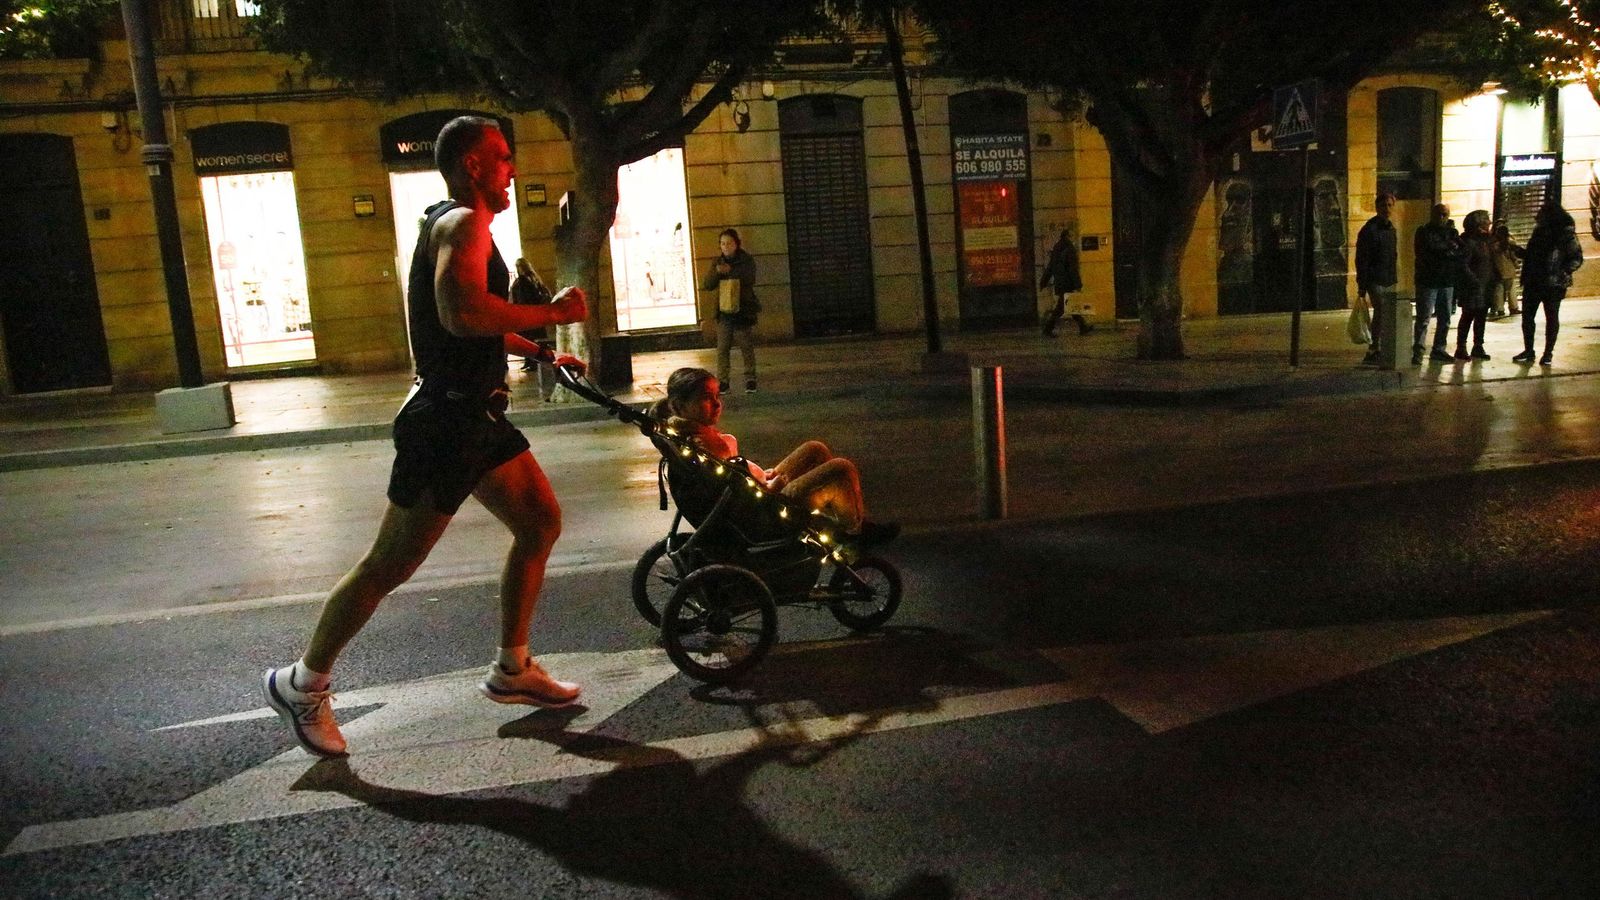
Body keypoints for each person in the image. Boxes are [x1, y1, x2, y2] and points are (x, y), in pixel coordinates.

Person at [262, 116, 590, 758]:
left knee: (539, 521)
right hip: (445, 424)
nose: (511, 168)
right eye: (501, 158)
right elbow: (461, 313)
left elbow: (471, 321)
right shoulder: (464, 224)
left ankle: (513, 668)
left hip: (477, 419)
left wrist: (540, 352)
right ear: (472, 165)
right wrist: (553, 312)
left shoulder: (452, 222)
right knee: (388, 565)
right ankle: (302, 684)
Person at [651, 366, 898, 546]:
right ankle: (854, 533)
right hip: (765, 512)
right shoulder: (701, 442)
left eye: (717, 396)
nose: (716, 404)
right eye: (706, 398)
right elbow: (735, 489)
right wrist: (772, 484)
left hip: (756, 496)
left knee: (815, 449)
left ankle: (841, 520)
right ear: (680, 406)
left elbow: (732, 477)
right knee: (841, 468)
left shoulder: (687, 433)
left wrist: (760, 475)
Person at [1513, 201, 1585, 367]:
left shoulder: (1565, 235)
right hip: (1533, 280)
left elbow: (1576, 257)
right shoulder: (1539, 232)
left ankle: (1548, 353)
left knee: (1551, 317)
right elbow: (1533, 256)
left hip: (1553, 283)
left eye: (1541, 213)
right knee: (1527, 317)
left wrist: (1563, 271)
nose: (1537, 216)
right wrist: (1519, 252)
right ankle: (1529, 350)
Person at [702, 228, 760, 393]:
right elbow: (708, 284)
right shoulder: (717, 262)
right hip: (724, 312)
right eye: (722, 243)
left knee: (746, 347)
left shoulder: (746, 260)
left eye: (729, 243)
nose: (726, 246)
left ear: (736, 244)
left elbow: (750, 278)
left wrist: (731, 272)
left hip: (742, 310)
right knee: (722, 349)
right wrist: (718, 273)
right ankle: (723, 381)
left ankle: (750, 379)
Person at [1412, 203, 1463, 364]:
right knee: (1424, 318)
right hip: (1428, 281)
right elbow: (1427, 250)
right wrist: (1446, 248)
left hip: (1446, 280)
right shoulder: (1424, 232)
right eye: (1439, 214)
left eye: (1445, 215)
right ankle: (1418, 351)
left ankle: (1439, 349)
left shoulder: (1452, 232)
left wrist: (1448, 249)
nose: (1441, 218)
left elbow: (1461, 250)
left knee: (1445, 317)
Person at [1354, 191, 1398, 365]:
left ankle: (1379, 347)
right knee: (1381, 312)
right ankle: (1373, 348)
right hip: (1375, 278)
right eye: (1383, 205)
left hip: (1388, 277)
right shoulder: (1370, 230)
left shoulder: (1390, 228)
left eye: (1389, 205)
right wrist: (1362, 284)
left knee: (1384, 313)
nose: (1386, 209)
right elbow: (1362, 259)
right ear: (1377, 207)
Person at [511, 256, 557, 400]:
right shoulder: (535, 279)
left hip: (526, 315)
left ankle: (530, 362)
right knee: (534, 339)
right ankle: (532, 361)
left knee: (527, 338)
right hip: (536, 316)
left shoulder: (522, 282)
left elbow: (521, 299)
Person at [1452, 209, 1495, 361]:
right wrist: (1474, 281)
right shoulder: (1469, 242)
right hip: (1473, 287)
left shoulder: (1486, 241)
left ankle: (1478, 345)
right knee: (1468, 316)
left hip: (1485, 285)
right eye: (1486, 221)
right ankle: (1461, 347)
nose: (1489, 223)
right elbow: (1463, 265)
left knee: (1481, 316)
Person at [1040, 228, 1091, 337]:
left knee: (1070, 305)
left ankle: (1083, 327)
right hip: (1067, 282)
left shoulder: (1057, 248)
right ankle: (1048, 329)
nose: (1072, 238)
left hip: (1060, 282)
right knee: (1061, 308)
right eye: (1071, 236)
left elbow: (1050, 267)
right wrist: (1078, 284)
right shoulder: (1069, 249)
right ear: (1068, 236)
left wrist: (1044, 281)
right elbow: (1072, 269)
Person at [1489, 222, 1523, 318]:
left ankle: (1500, 309)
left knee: (1499, 290)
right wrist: (1516, 265)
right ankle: (1513, 307)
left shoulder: (1493, 244)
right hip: (1509, 269)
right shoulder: (1509, 243)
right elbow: (1513, 256)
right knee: (1511, 289)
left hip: (1498, 269)